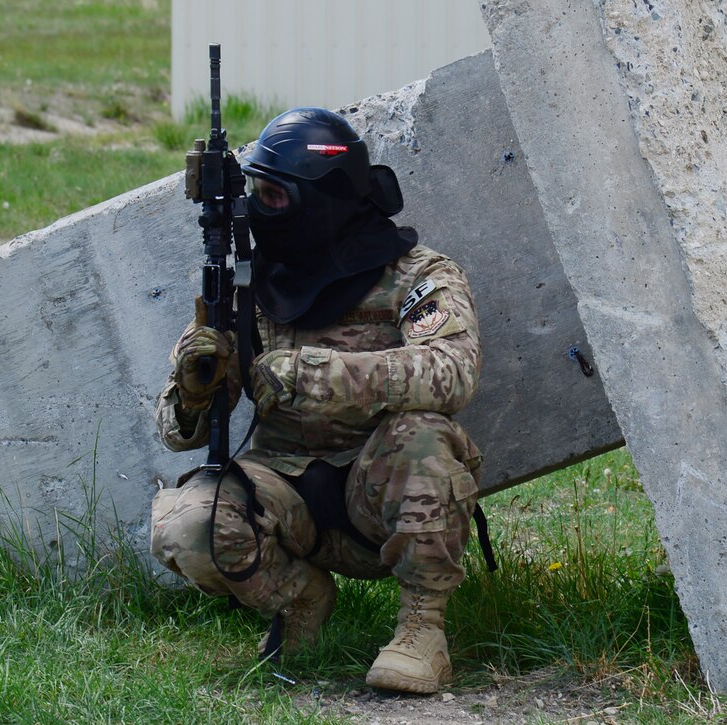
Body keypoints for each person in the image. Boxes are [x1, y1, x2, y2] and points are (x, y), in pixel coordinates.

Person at [149, 107, 483, 694]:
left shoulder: (415, 274)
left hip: (378, 485)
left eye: (274, 196)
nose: (261, 210)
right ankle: (301, 600)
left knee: (425, 437)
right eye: (256, 193)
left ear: (323, 198)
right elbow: (179, 433)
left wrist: (320, 376)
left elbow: (453, 372)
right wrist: (194, 390)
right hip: (282, 487)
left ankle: (422, 631)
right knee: (185, 525)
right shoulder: (251, 285)